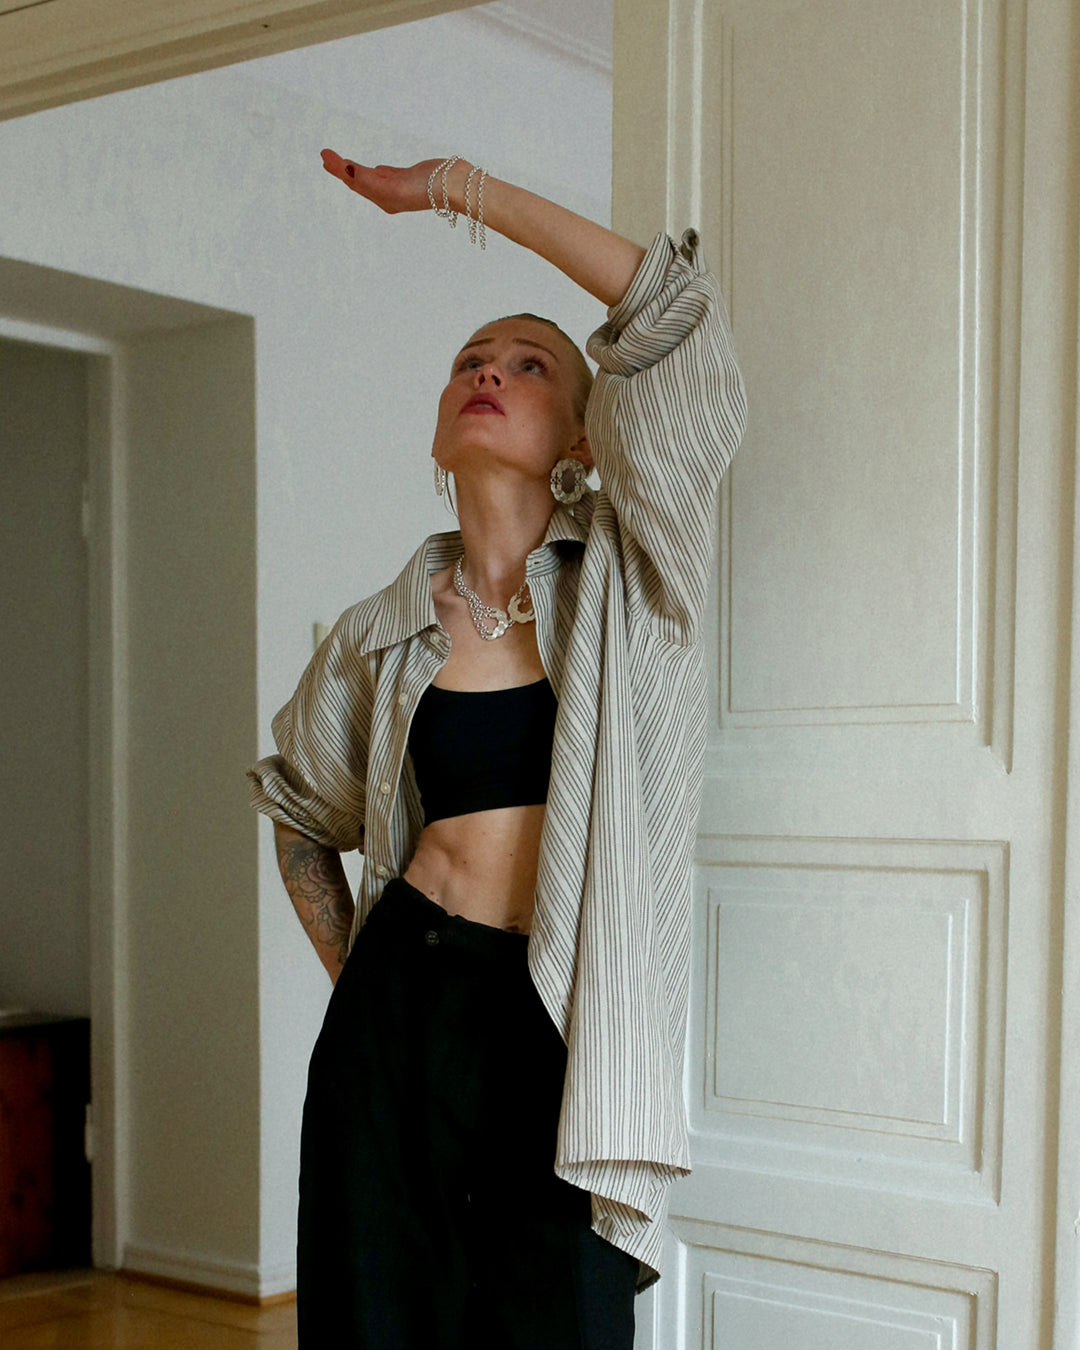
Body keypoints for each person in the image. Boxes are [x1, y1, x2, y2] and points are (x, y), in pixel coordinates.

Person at [248, 150, 746, 1349]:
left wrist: (462, 193)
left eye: (531, 366)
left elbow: (674, 317)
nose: (491, 372)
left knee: (561, 1323)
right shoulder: (381, 632)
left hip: (556, 1029)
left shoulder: (634, 580)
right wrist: (366, 992)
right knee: (376, 1327)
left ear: (584, 436)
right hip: (398, 1011)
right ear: (438, 430)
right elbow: (301, 816)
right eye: (472, 359)